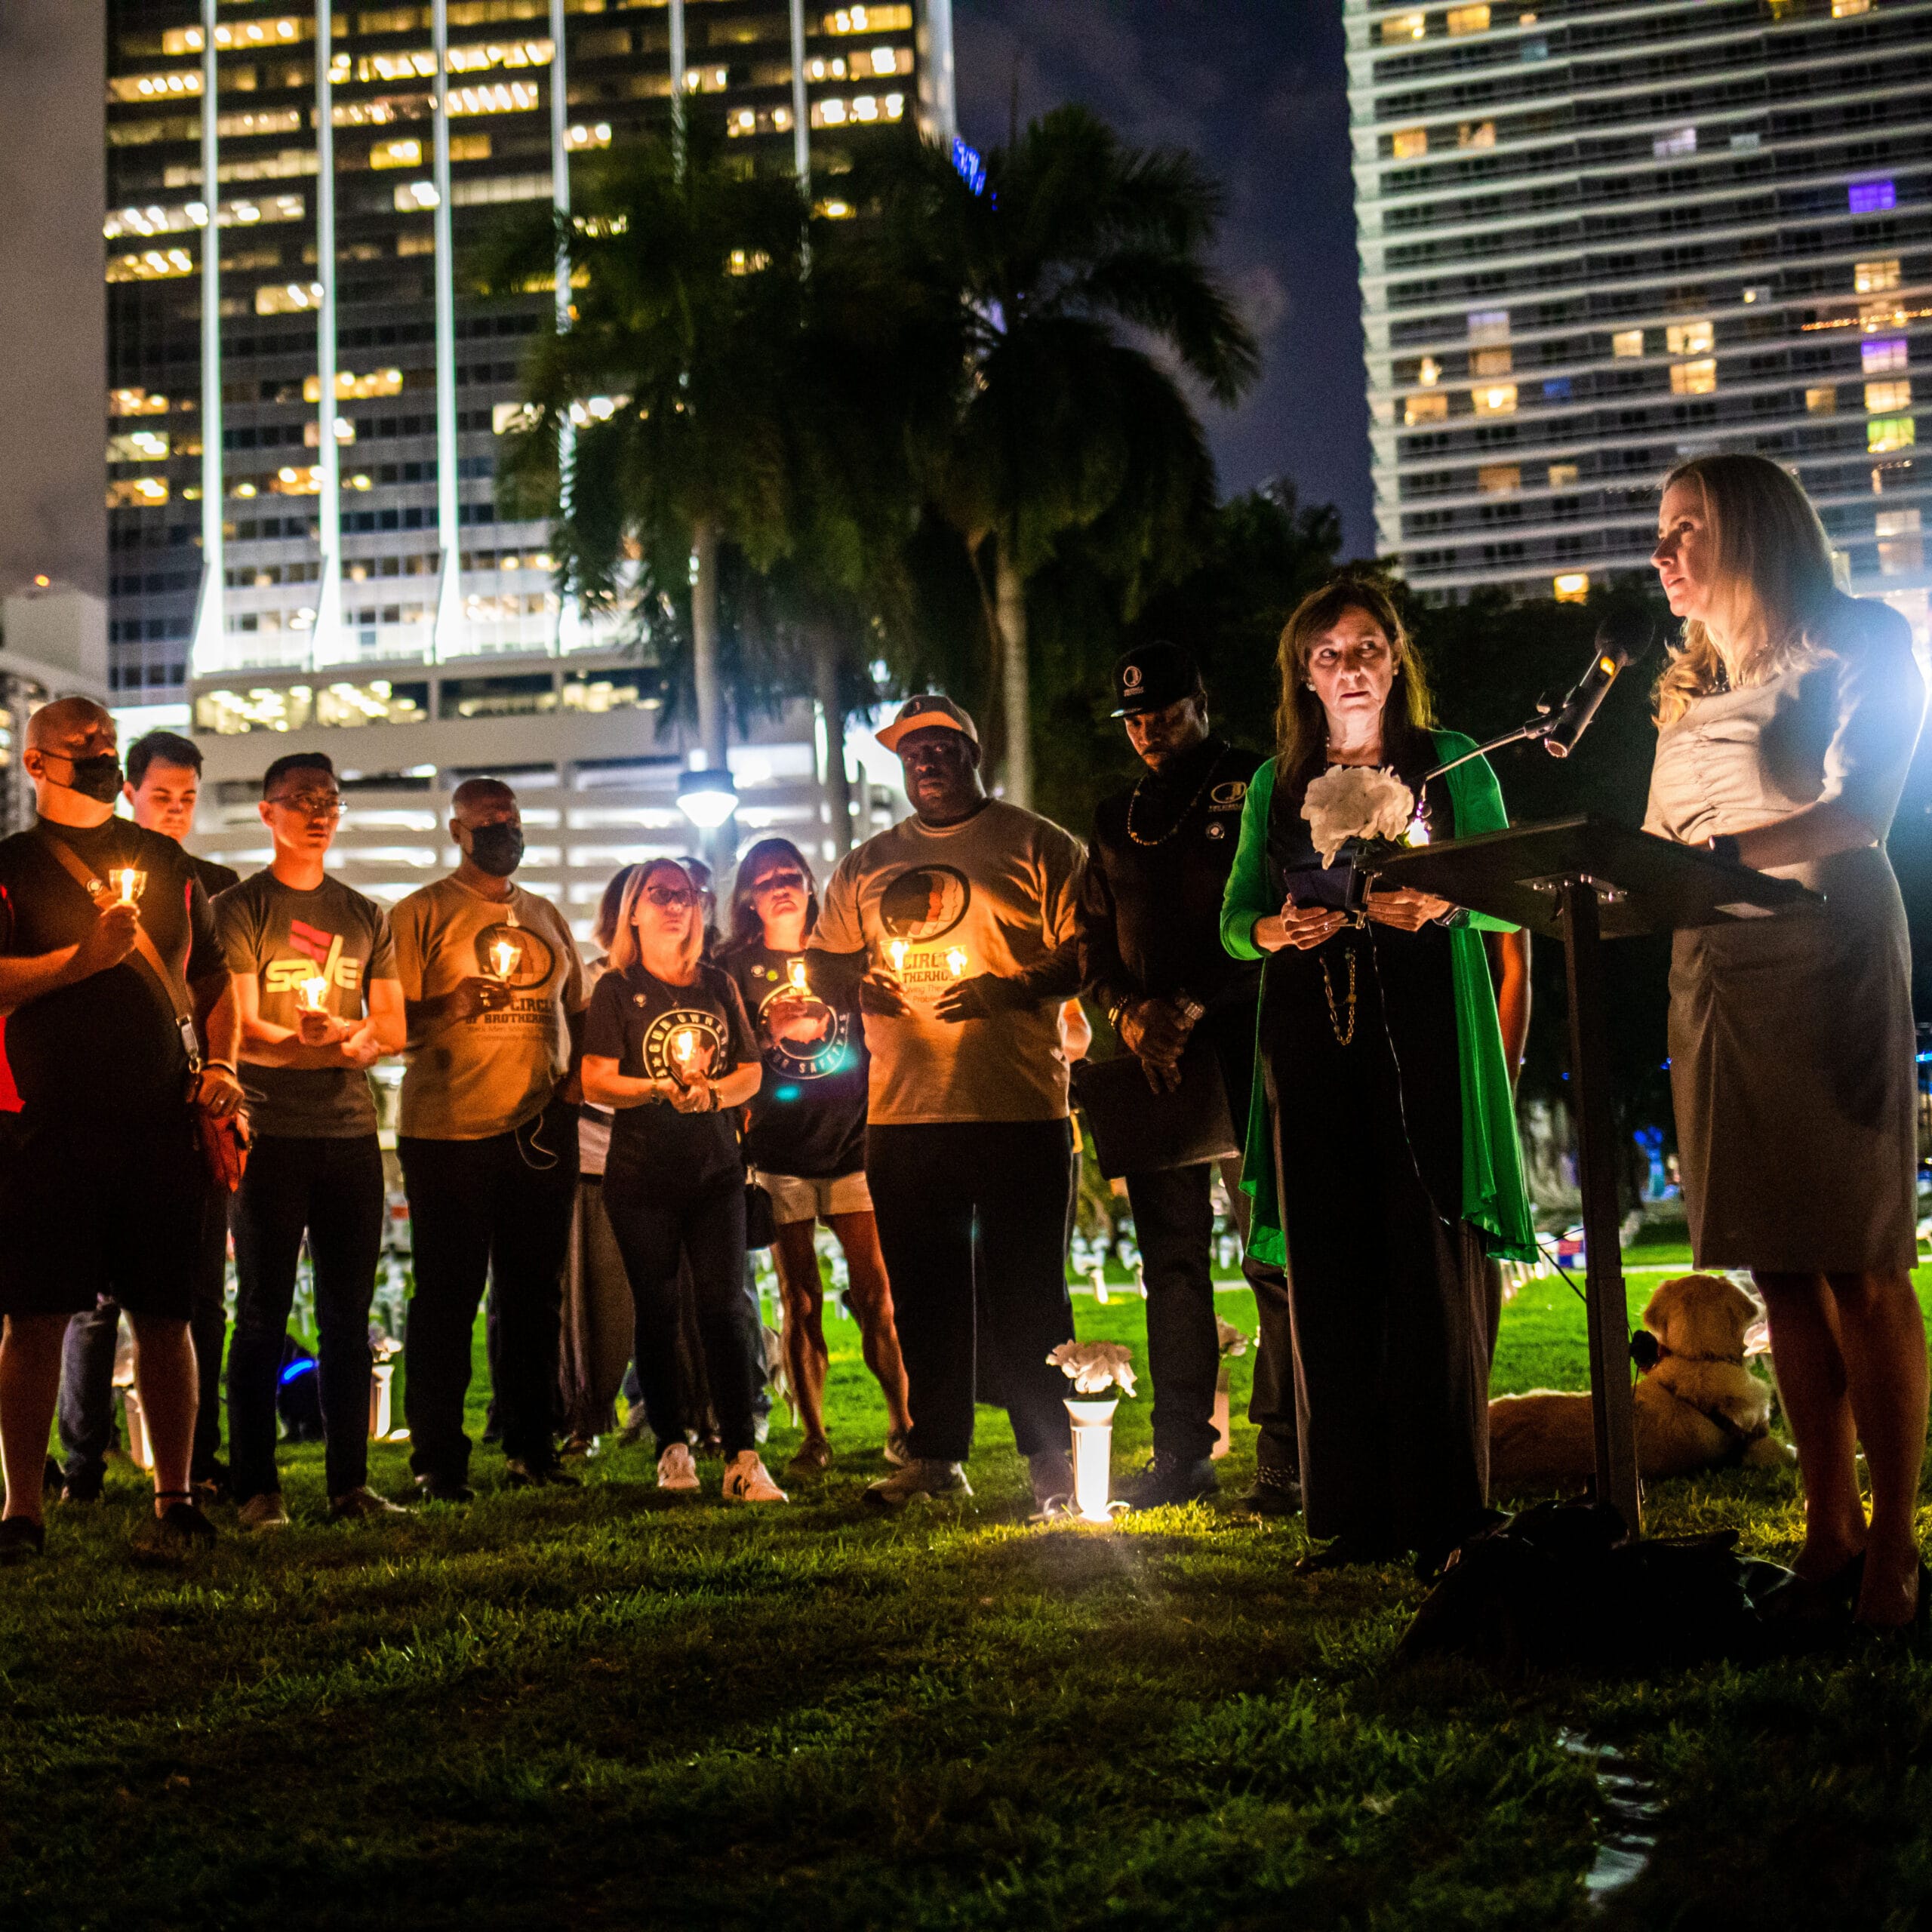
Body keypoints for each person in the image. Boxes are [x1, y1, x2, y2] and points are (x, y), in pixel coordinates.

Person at [1644, 453, 1927, 1632]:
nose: (1663, 555)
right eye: (1658, 534)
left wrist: (1720, 861)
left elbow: (1861, 810)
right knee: (1781, 1272)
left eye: (1686, 529)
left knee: (1860, 1265)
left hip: (1828, 966)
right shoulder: (1681, 687)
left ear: (1752, 528)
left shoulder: (1860, 638)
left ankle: (1898, 1547)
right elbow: (1659, 836)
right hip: (1719, 980)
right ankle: (1828, 1529)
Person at [1220, 578, 1535, 1571]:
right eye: (1328, 653)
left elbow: (1511, 898)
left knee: (1426, 1269)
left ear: (1396, 661)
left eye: (1366, 648)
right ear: (1304, 676)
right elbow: (1234, 925)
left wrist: (1443, 907)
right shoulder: (1277, 785)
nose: (1348, 666)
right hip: (1312, 1047)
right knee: (1329, 1274)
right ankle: (1346, 1517)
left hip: (1425, 1045)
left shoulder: (1453, 762)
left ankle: (1444, 1514)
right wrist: (1279, 926)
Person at [806, 694, 1086, 1515]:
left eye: (940, 746)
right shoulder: (866, 864)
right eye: (910, 750)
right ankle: (934, 1456)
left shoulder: (1037, 844)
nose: (925, 760)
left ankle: (1051, 1458)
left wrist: (1011, 990)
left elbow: (1086, 952)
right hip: (905, 1111)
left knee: (1030, 1289)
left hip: (1019, 1106)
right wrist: (853, 982)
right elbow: (820, 962)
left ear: (971, 751)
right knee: (924, 1292)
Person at [0, 699, 247, 1560]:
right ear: (36, 765)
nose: (102, 754)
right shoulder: (13, 868)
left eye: (107, 742)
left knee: (166, 1314)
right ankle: (23, 1508)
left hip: (157, 1125)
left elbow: (214, 981)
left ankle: (173, 1494)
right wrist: (81, 961)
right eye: (82, 747)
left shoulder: (168, 862)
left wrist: (221, 1069)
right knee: (35, 1317)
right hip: (46, 1128)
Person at [1078, 640, 1297, 1512]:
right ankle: (1182, 1454)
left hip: (1247, 1038)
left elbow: (1280, 909)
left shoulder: (1256, 783)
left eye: (1165, 711)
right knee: (1169, 1265)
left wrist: (1191, 1007)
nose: (1149, 729)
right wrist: (1131, 1015)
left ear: (1202, 702)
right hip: (1153, 1062)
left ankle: (1287, 1451)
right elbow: (1092, 939)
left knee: (1272, 1253)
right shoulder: (1113, 817)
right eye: (1135, 716)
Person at [216, 752, 408, 1528]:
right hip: (270, 1131)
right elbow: (240, 1026)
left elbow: (390, 1025)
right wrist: (323, 1040)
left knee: (346, 1313)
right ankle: (257, 1488)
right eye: (301, 800)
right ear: (269, 812)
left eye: (329, 798)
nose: (318, 812)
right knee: (262, 1309)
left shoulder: (366, 914)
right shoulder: (240, 908)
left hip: (349, 1132)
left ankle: (348, 1484)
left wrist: (351, 1039)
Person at [56, 729, 238, 1506]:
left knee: (194, 1292)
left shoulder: (212, 880)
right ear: (130, 792)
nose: (176, 811)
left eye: (188, 798)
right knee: (89, 1303)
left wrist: (224, 1078)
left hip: (184, 1102)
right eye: (162, 795)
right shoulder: (90, 872)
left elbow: (223, 987)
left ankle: (194, 1459)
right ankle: (83, 1462)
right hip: (89, 1106)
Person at [391, 777, 586, 1500]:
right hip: (448, 1133)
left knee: (534, 1296)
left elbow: (579, 1006)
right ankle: (439, 1458)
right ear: (457, 832)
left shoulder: (544, 915)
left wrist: (570, 1090)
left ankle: (531, 1444)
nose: (503, 830)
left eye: (511, 819)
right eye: (487, 821)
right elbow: (387, 1027)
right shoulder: (421, 915)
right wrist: (451, 1003)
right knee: (447, 1295)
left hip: (538, 1127)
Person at [580, 859, 787, 1503]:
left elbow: (751, 1072)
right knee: (660, 1309)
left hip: (715, 1172)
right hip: (642, 1177)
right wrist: (660, 1090)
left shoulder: (718, 984)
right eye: (659, 894)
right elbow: (594, 1079)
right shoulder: (617, 989)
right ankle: (672, 1448)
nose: (676, 905)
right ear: (632, 912)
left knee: (726, 1307)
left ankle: (742, 1456)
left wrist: (711, 1096)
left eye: (686, 895)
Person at [719, 837, 912, 1477]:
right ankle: (814, 1437)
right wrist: (766, 1030)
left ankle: (903, 1425)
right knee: (798, 1299)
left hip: (854, 1142)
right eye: (765, 877)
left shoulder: (841, 960)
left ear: (810, 886)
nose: (780, 885)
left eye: (791, 875)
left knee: (877, 1293)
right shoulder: (733, 968)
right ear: (748, 895)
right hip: (779, 1152)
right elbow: (725, 1054)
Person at [558, 866, 635, 1445]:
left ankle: (679, 1412)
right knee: (593, 1302)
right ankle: (585, 1414)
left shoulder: (694, 984)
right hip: (594, 1158)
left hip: (665, 1159)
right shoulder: (586, 983)